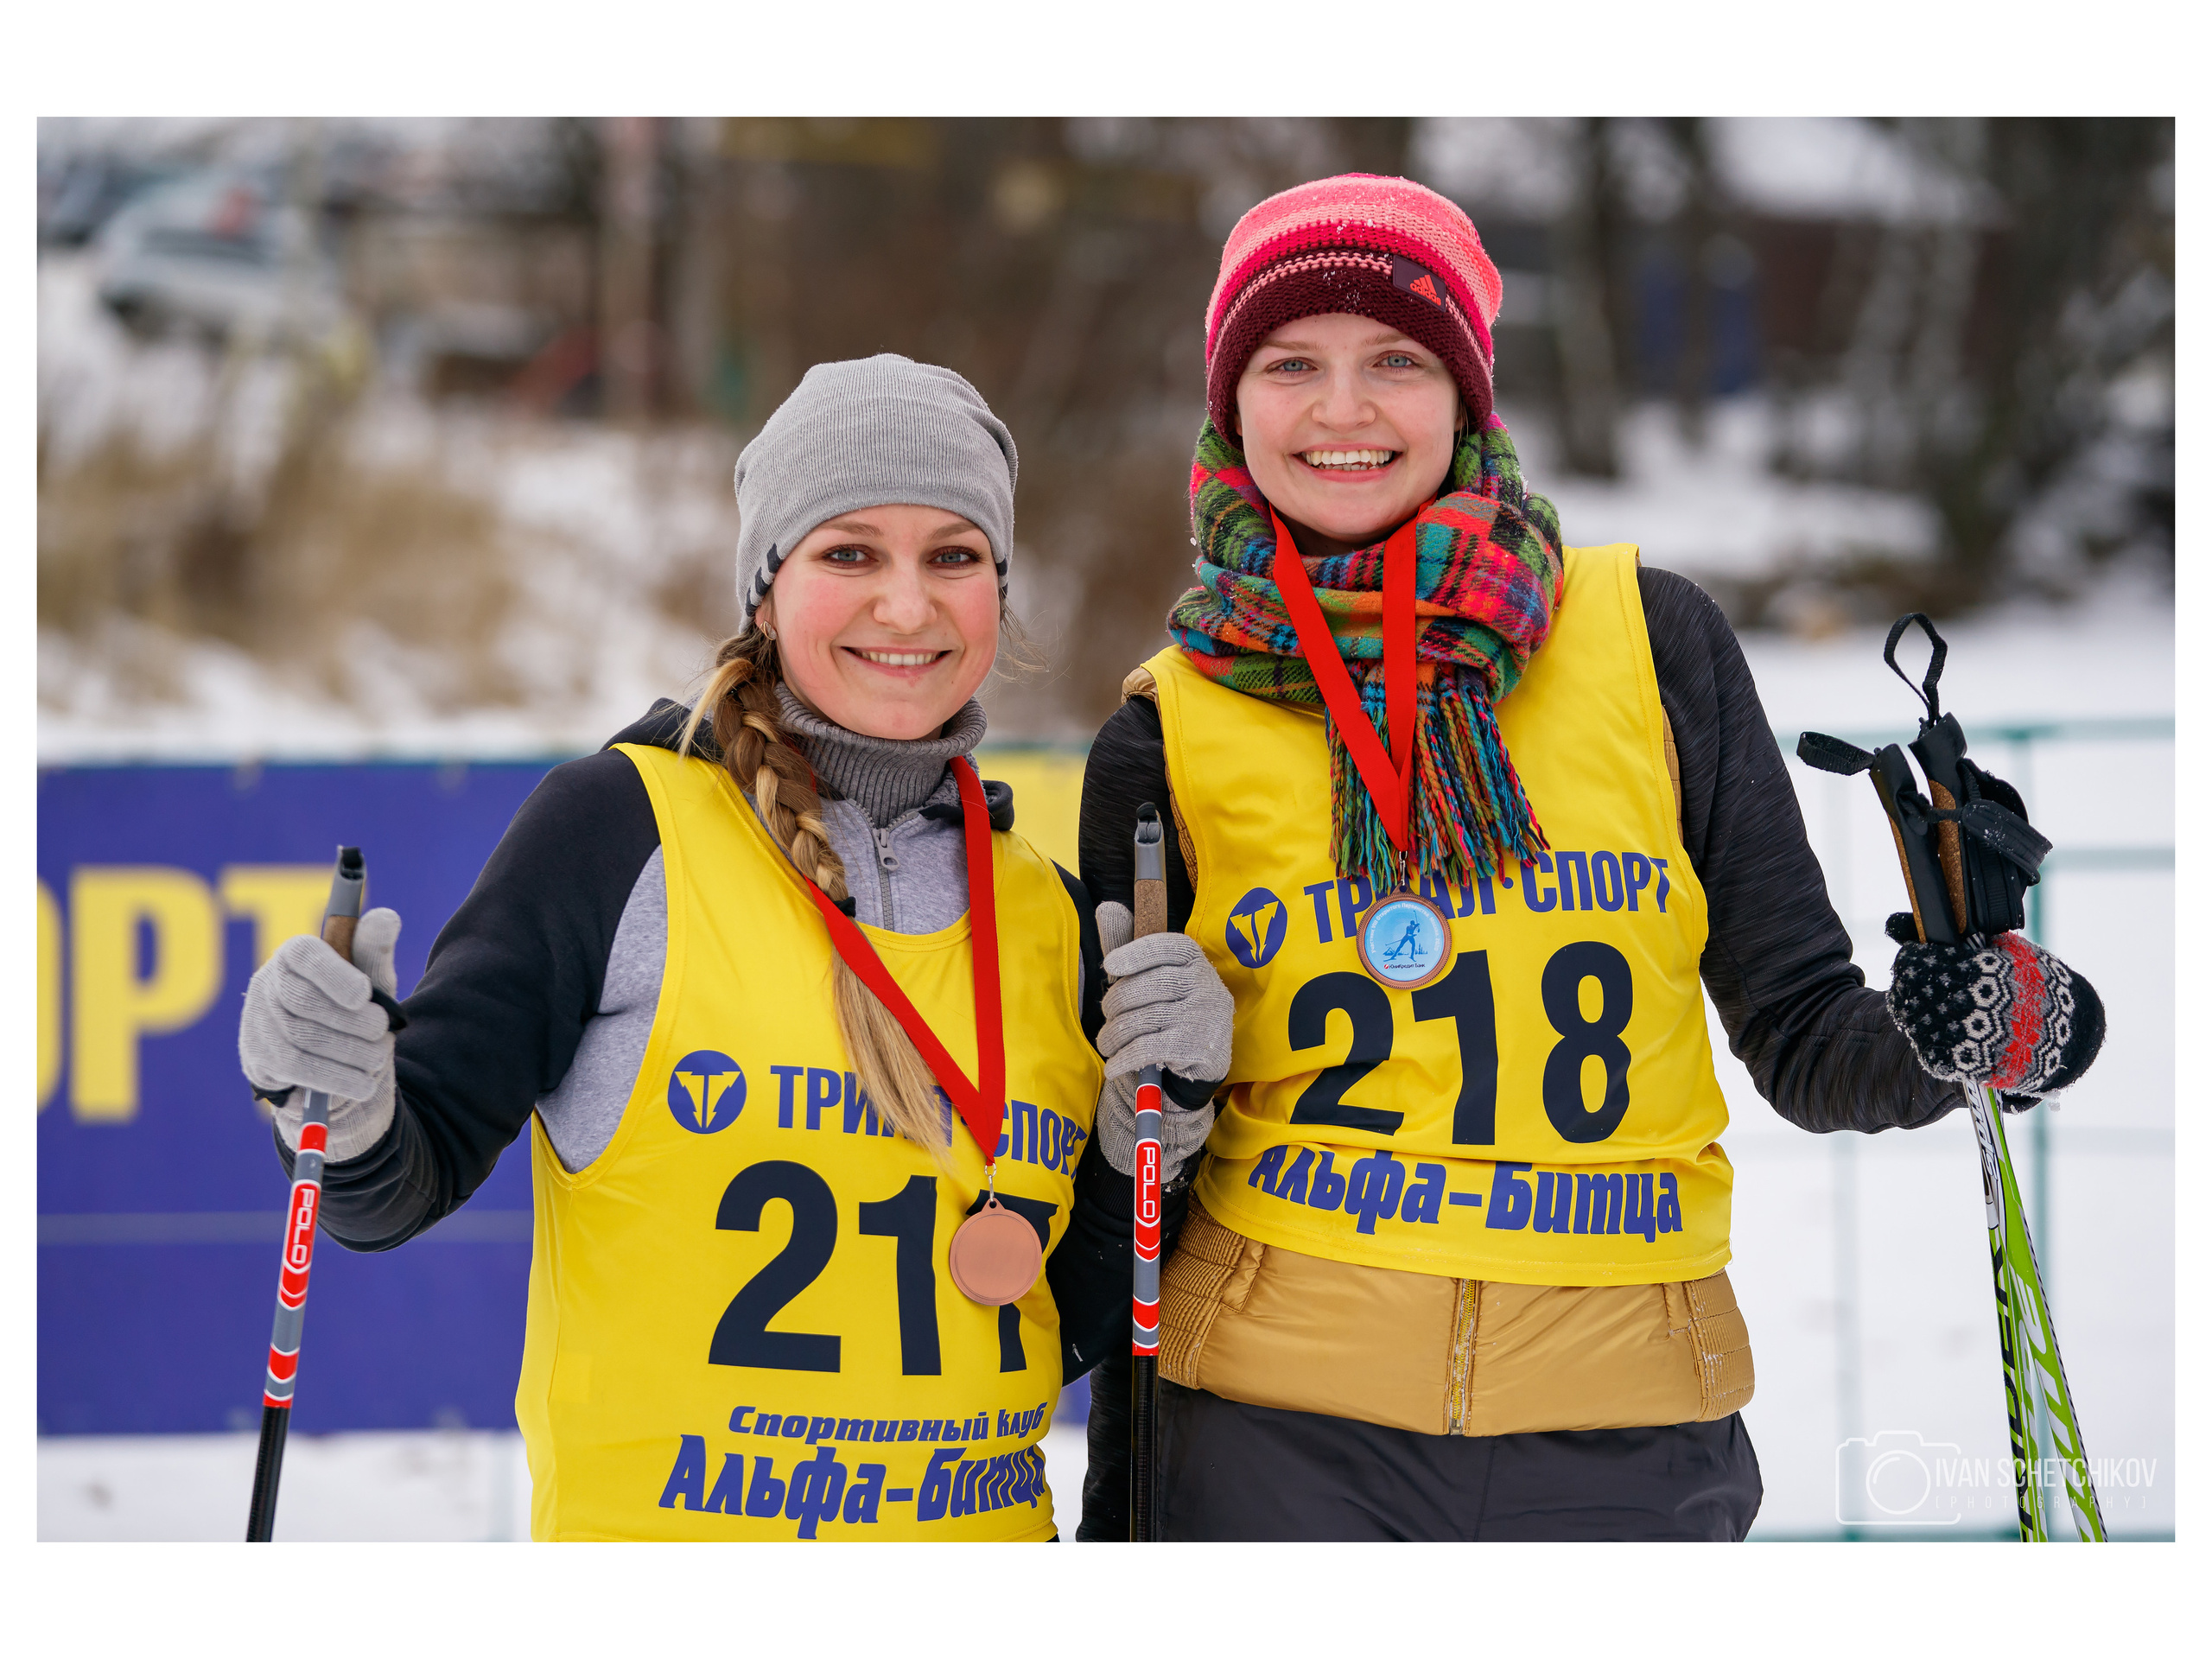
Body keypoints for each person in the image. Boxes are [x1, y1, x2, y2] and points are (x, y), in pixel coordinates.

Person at [1076, 175, 2107, 1541]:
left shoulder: (1650, 641)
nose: (1342, 409)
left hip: (1624, 1445)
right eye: (1290, 364)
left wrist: (1979, 1032)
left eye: (1396, 359)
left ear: (1467, 393)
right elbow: (1120, 1179)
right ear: (1230, 402)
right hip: (1274, 1450)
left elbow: (1803, 1031)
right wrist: (1170, 1097)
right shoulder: (1167, 725)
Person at [237, 355, 1224, 1541]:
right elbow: (397, 1184)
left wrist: (1146, 1144)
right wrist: (340, 1109)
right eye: (849, 553)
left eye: (953, 557)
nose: (905, 606)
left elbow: (1058, 1322)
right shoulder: (619, 833)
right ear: (765, 587)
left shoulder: (1053, 917)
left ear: (1000, 596)